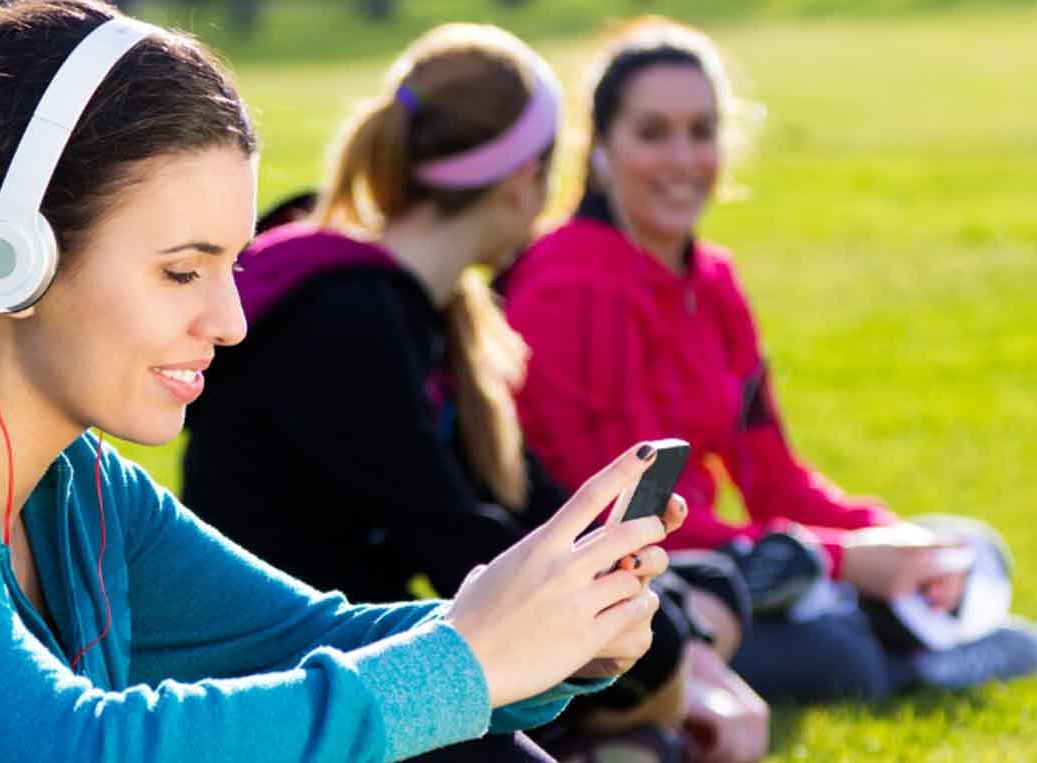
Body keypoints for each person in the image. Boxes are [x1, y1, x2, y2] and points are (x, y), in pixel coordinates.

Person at [0, 2, 681, 761]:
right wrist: (469, 659)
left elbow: (306, 644)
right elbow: (68, 750)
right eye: (183, 269)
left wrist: (552, 629)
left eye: (232, 266)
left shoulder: (75, 490)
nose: (230, 318)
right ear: (10, 256)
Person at [180, 23, 757, 762]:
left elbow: (517, 498)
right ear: (524, 180)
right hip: (301, 687)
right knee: (657, 665)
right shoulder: (345, 319)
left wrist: (655, 606)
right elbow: (455, 539)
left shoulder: (417, 304)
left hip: (376, 654)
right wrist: (662, 652)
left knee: (696, 599)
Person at [502, 15, 1036, 704]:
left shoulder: (714, 281)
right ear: (600, 145)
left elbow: (773, 473)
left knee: (964, 542)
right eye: (653, 132)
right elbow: (620, 518)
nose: (683, 158)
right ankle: (902, 646)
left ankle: (899, 614)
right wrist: (841, 560)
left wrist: (888, 539)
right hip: (634, 585)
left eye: (702, 131)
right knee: (842, 657)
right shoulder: (570, 284)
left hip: (740, 564)